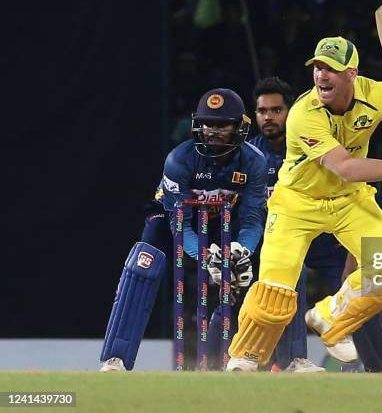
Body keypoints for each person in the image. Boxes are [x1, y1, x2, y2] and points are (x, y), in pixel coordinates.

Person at [226, 37, 382, 371]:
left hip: (349, 201)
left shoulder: (377, 94)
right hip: (296, 204)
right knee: (274, 296)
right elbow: (344, 168)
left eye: (330, 68)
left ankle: (329, 318)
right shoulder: (303, 113)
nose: (321, 75)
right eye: (317, 67)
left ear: (351, 73)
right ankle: (244, 358)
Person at [100, 88, 267, 371]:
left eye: (222, 125)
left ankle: (228, 360)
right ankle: (115, 358)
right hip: (171, 219)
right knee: (144, 264)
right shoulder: (179, 160)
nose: (212, 131)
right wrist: (206, 258)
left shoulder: (254, 161)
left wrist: (242, 250)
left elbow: (252, 220)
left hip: (225, 219)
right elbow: (180, 224)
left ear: (239, 127)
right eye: (207, 124)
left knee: (253, 270)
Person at [250, 76, 382, 372]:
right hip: (286, 239)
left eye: (277, 110)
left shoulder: (320, 139)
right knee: (284, 283)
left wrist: (353, 259)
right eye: (263, 111)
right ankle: (290, 361)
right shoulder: (250, 156)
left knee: (361, 289)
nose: (269, 117)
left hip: (330, 242)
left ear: (293, 110)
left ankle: (380, 370)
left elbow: (355, 197)